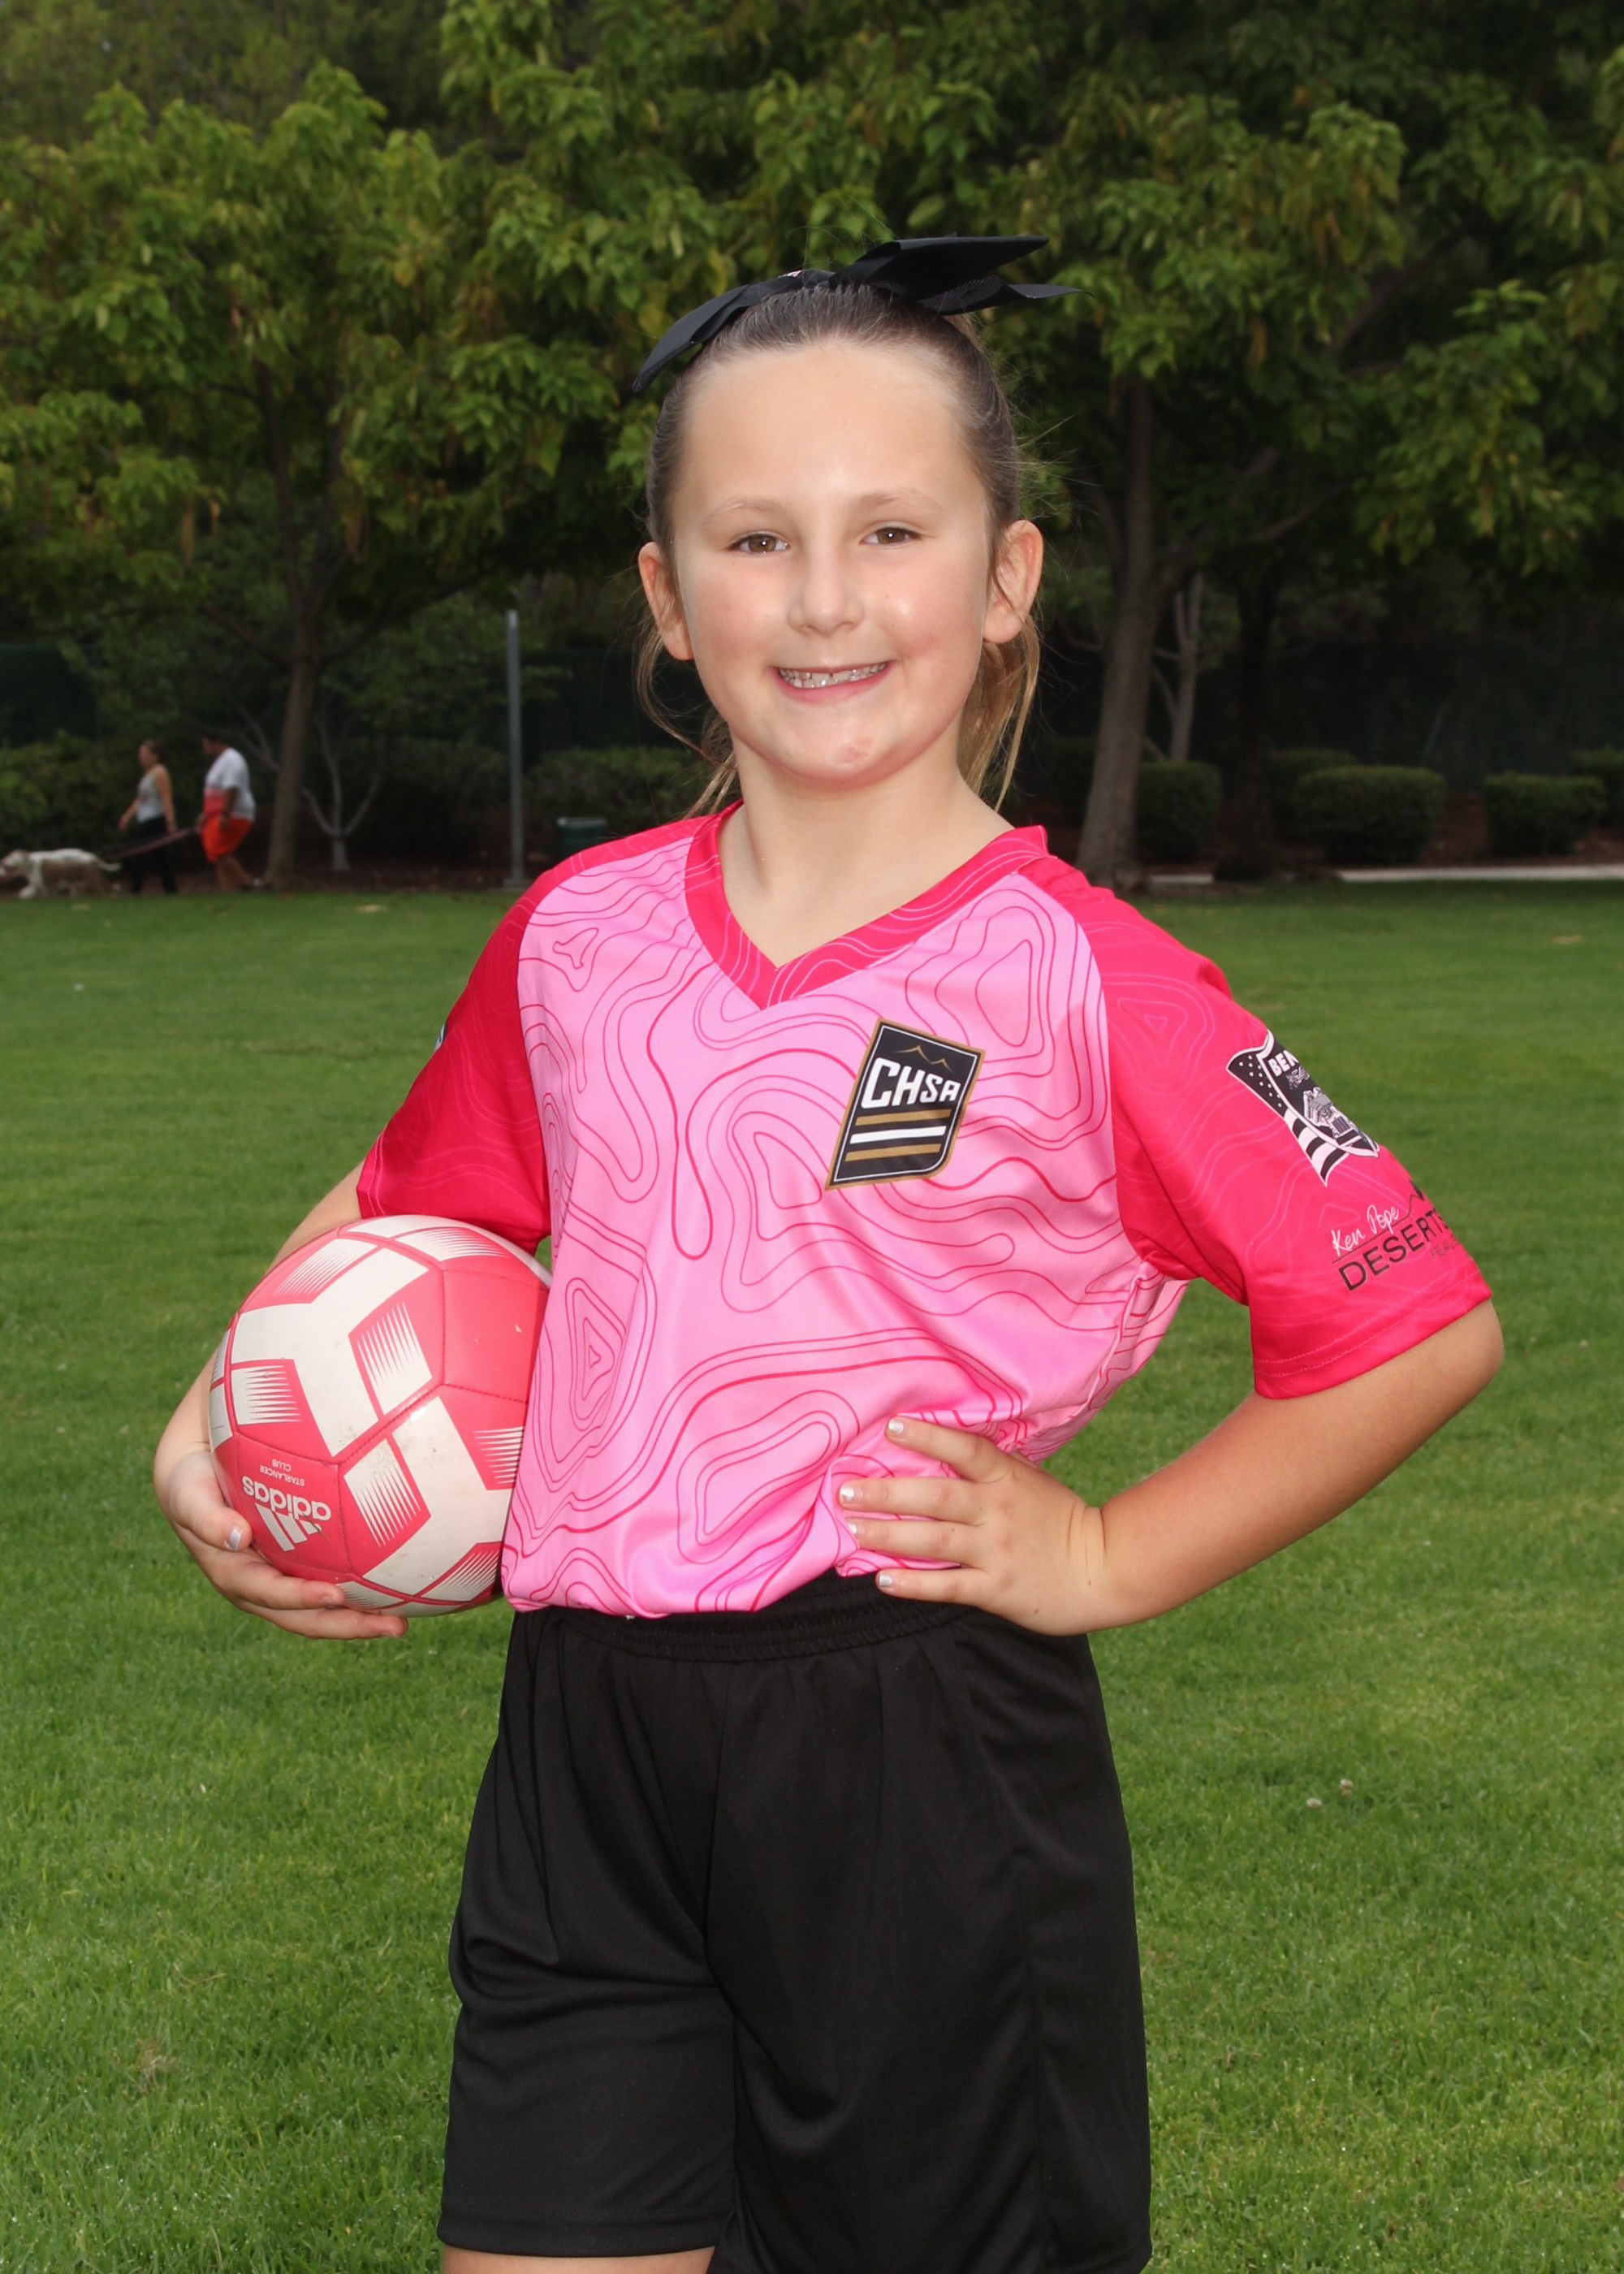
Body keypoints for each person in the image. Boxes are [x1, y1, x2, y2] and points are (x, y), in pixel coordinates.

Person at [153, 238, 1502, 2274]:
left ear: (1007, 574)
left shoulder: (1087, 982)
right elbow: (416, 1195)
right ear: (664, 594)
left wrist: (1107, 1553)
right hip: (586, 1746)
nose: (821, 597)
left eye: (889, 530)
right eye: (753, 537)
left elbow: (1409, 1320)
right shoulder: (580, 938)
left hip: (911, 1747)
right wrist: (211, 1414)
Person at [196, 731, 257, 890]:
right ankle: (226, 890)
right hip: (217, 813)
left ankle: (246, 881)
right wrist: (206, 814)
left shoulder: (232, 760)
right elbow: (215, 791)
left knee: (219, 851)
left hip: (235, 813)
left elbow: (231, 788)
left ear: (216, 743)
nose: (204, 749)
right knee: (216, 853)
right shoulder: (220, 762)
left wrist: (225, 814)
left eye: (206, 745)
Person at [117, 738, 179, 894]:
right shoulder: (147, 776)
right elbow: (140, 800)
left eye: (144, 754)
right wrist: (127, 817)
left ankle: (135, 889)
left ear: (154, 756)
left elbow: (166, 796)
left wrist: (170, 820)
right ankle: (171, 889)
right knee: (160, 858)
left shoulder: (159, 772)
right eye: (140, 754)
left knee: (138, 854)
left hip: (155, 820)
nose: (141, 757)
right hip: (145, 820)